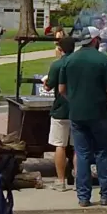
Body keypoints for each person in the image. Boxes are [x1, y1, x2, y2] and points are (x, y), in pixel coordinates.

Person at [58, 26, 107, 207]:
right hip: (99, 113)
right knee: (102, 153)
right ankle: (105, 195)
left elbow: (61, 89)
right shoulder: (103, 60)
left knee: (82, 154)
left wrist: (75, 100)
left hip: (77, 114)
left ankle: (83, 197)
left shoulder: (68, 61)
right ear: (95, 40)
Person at [44, 36, 76, 191]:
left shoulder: (57, 65)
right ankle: (79, 180)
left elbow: (48, 86)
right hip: (78, 108)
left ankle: (61, 181)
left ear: (60, 49)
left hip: (61, 109)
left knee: (60, 145)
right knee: (78, 147)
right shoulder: (78, 63)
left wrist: (45, 81)